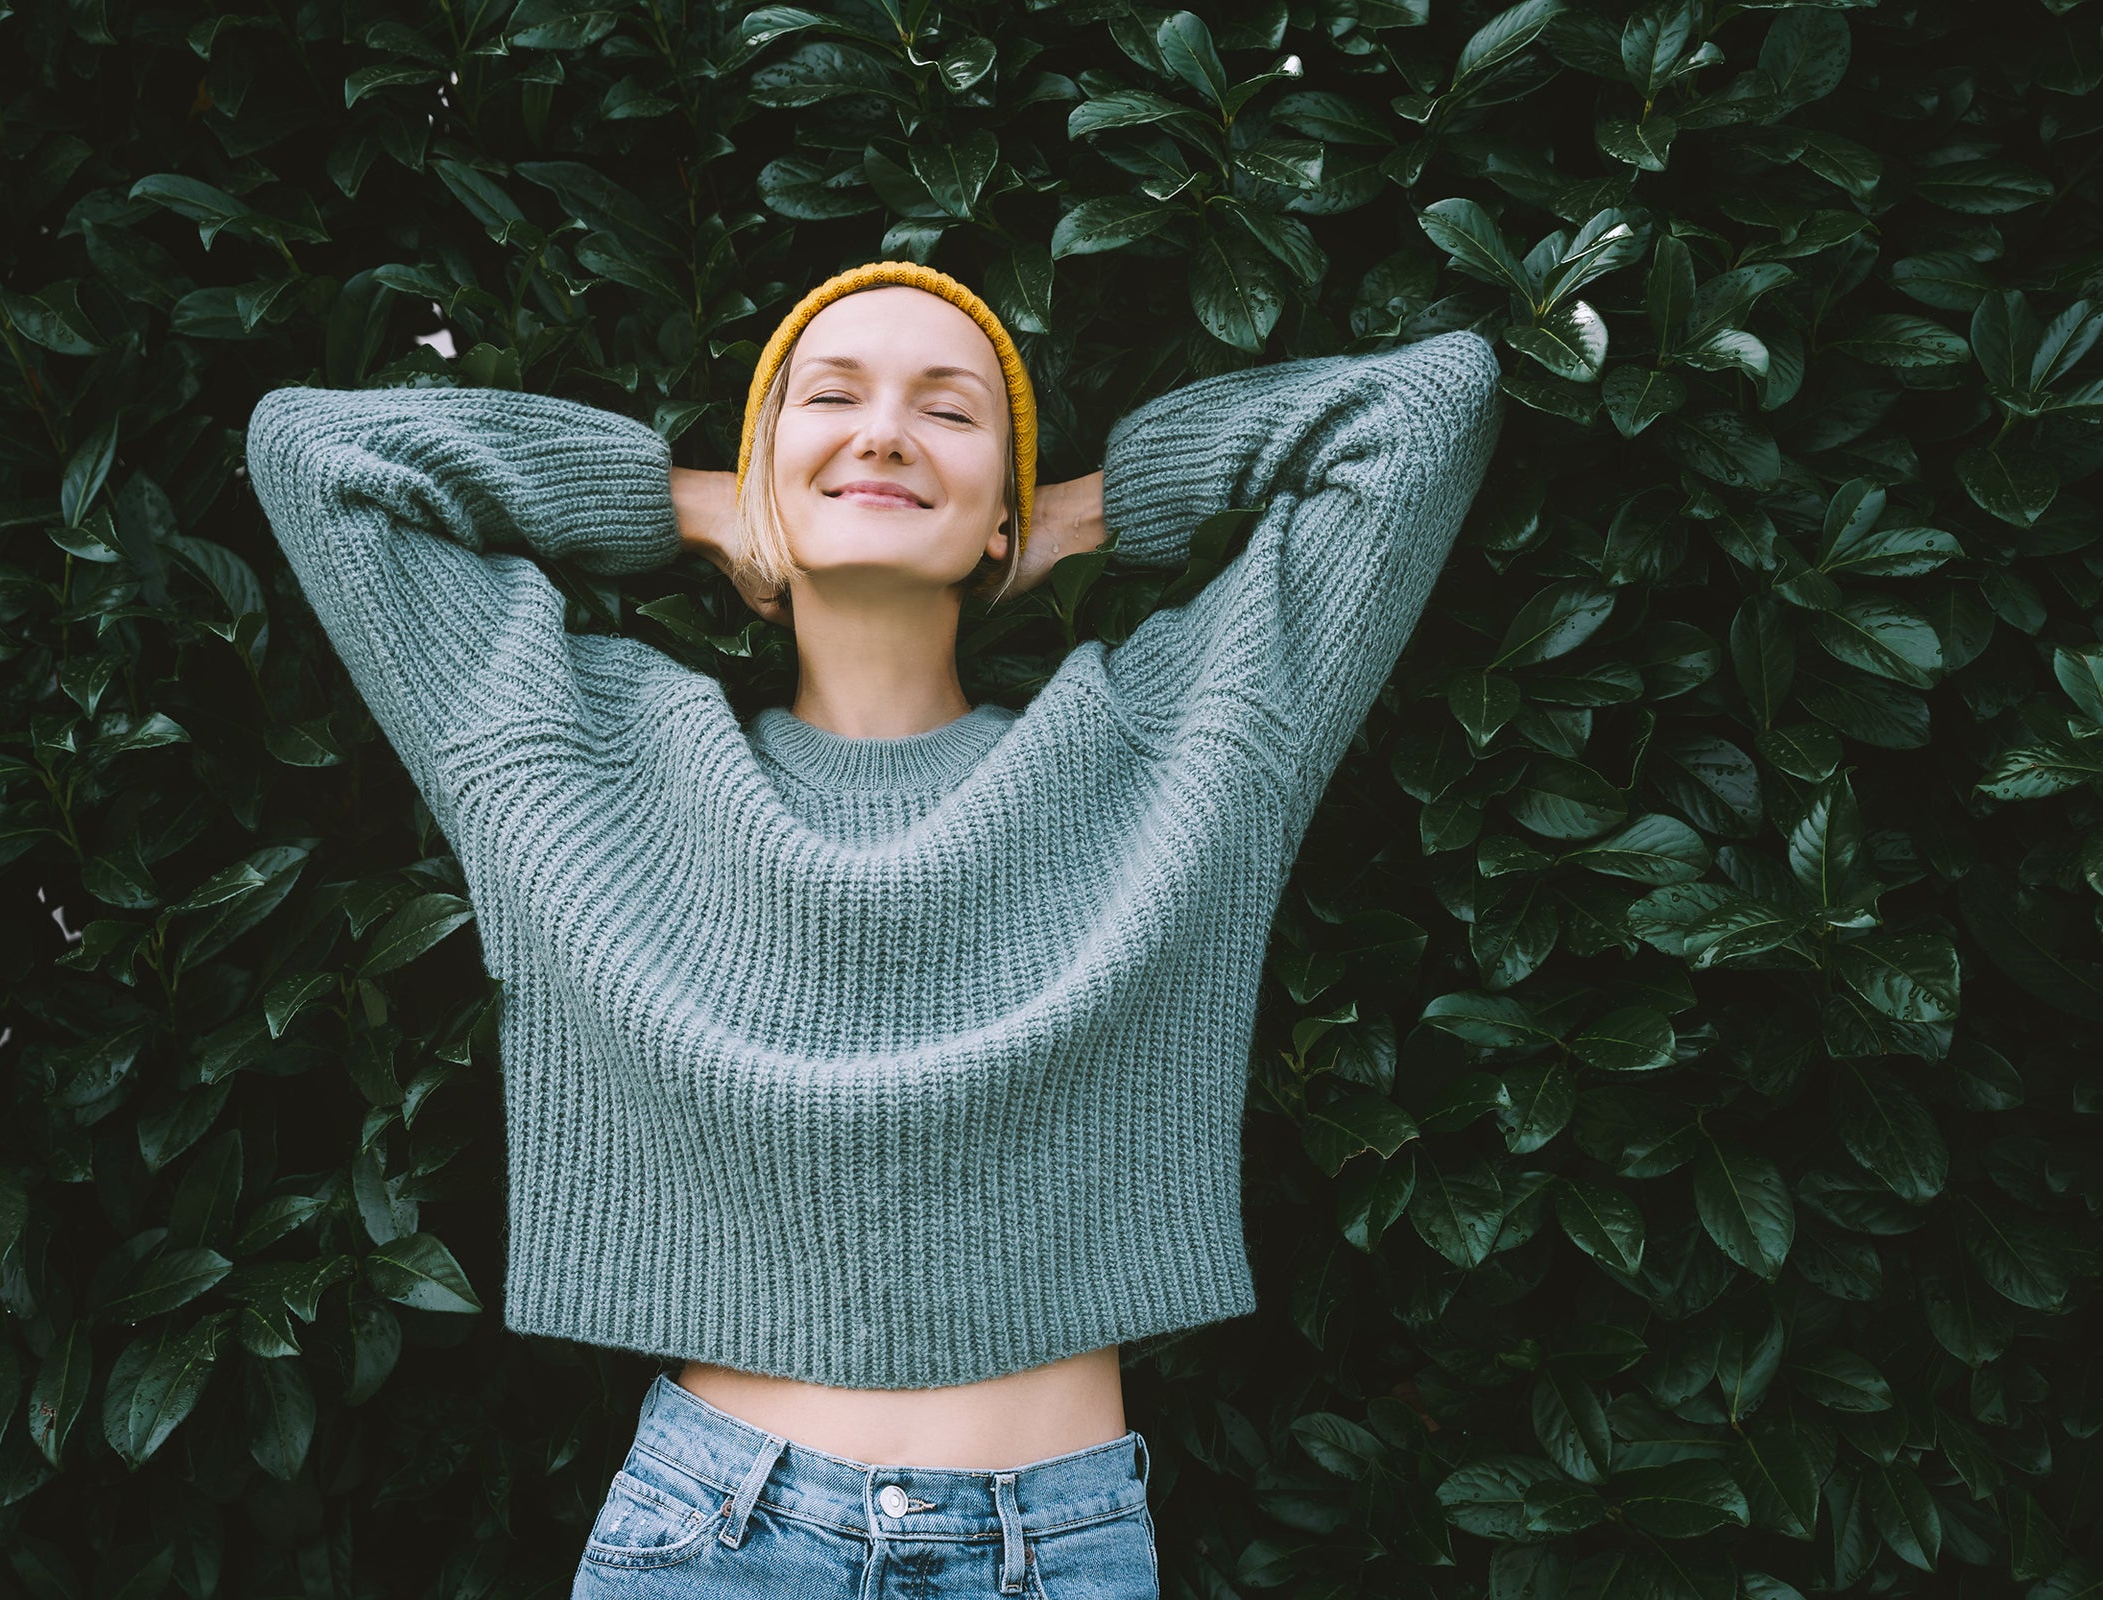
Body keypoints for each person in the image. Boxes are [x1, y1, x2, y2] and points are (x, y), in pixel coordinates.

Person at [244, 259, 1503, 1596]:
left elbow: (1430, 409)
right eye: (829, 396)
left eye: (951, 412)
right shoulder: (578, 760)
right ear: (763, 464)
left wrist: (1095, 507)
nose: (886, 430)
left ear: (1002, 510)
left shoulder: (1169, 751)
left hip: (1049, 1549)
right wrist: (682, 502)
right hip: (710, 1543)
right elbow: (315, 454)